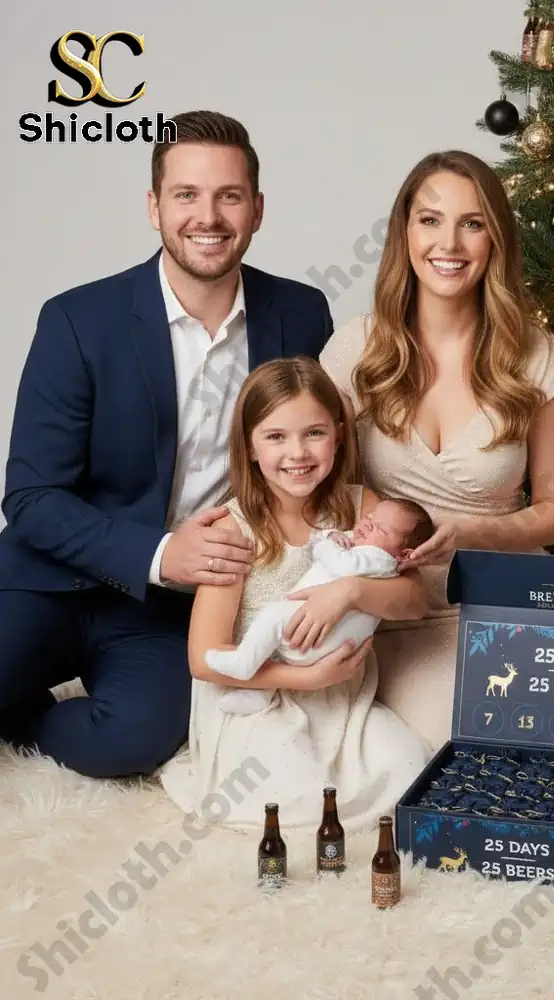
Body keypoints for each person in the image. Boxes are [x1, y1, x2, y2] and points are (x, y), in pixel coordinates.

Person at [0, 109, 362, 780]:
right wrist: (163, 552)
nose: (209, 216)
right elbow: (30, 497)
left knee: (133, 743)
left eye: (229, 196)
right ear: (154, 206)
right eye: (187, 195)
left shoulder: (302, 313)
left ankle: (18, 717)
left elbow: (320, 451)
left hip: (175, 608)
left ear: (257, 209)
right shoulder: (77, 319)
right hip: (51, 579)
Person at [315, 149, 554, 749]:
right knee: (465, 740)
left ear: (495, 240)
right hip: (400, 607)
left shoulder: (536, 355)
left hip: (507, 595)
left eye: (473, 222)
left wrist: (467, 530)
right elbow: (311, 479)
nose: (449, 243)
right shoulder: (356, 349)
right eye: (430, 220)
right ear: (404, 232)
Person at [157, 357, 430, 830]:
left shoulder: (363, 508)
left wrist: (348, 591)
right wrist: (306, 678)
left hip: (343, 698)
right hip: (260, 691)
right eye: (276, 436)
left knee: (408, 766)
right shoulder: (232, 528)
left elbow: (415, 600)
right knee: (291, 795)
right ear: (250, 446)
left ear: (339, 434)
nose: (298, 453)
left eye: (314, 433)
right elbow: (204, 659)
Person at [204, 497, 434, 716]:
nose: (366, 525)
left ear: (404, 554)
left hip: (319, 638)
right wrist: (332, 535)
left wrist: (327, 544)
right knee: (275, 641)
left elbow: (340, 564)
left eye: (380, 530)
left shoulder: (380, 559)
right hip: (323, 646)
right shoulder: (364, 547)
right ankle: (262, 693)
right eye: (369, 517)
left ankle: (244, 662)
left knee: (273, 616)